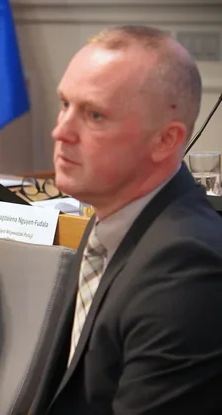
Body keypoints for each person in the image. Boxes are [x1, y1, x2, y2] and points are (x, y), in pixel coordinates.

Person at [29, 25, 222, 414]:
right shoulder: (111, 223)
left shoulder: (187, 268)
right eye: (65, 104)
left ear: (165, 140)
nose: (61, 131)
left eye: (94, 115)